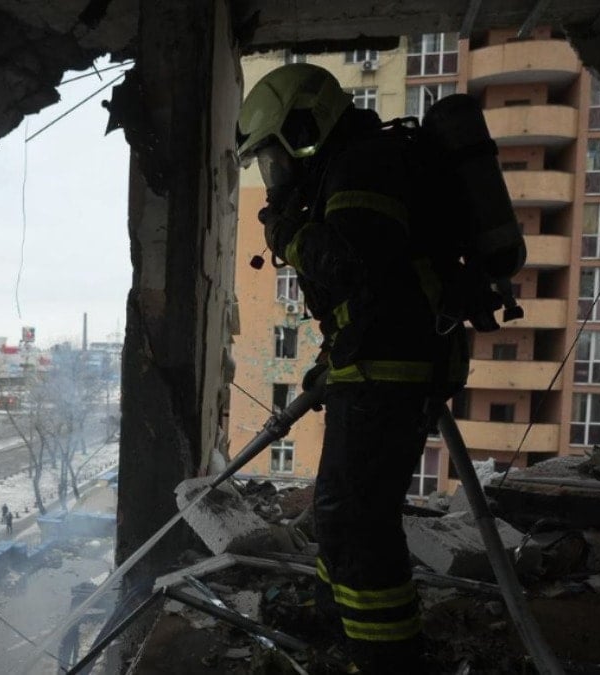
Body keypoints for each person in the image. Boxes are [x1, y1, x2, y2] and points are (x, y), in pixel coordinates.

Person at [235, 63, 471, 674]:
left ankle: (385, 654)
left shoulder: (362, 167)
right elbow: (369, 294)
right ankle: (335, 615)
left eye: (273, 158)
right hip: (373, 361)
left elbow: (349, 265)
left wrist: (289, 235)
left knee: (363, 520)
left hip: (391, 368)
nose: (274, 176)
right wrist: (329, 362)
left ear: (304, 130)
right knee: (339, 508)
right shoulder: (355, 167)